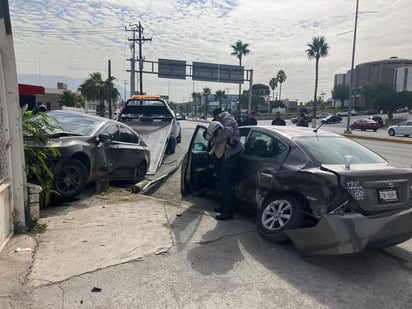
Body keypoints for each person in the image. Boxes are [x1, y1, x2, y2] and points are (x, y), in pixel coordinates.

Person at [211, 108, 244, 220]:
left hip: (231, 155)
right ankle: (224, 206)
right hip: (228, 154)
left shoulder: (227, 119)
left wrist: (216, 140)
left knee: (226, 183)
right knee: (223, 181)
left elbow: (228, 132)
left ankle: (228, 212)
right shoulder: (226, 119)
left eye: (216, 118)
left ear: (218, 116)